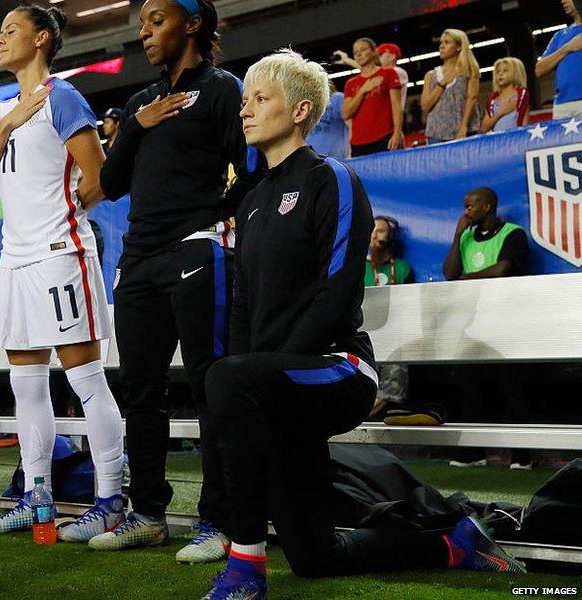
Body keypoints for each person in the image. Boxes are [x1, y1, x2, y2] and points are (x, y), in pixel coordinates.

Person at [200, 49, 525, 600]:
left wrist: (259, 374)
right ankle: (452, 545)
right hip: (273, 383)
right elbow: (244, 306)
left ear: (301, 110)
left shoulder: (334, 179)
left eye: (261, 99)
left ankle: (244, 565)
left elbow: (337, 291)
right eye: (245, 101)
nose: (245, 112)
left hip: (338, 369)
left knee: (227, 379)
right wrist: (249, 371)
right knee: (315, 558)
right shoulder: (252, 202)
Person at [90, 0, 263, 562]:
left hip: (197, 251)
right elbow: (109, 183)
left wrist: (211, 217)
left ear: (192, 25)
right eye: (141, 23)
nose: (144, 33)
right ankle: (148, 515)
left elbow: (253, 169)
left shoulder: (221, 89)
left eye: (156, 21)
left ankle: (219, 521)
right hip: (138, 258)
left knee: (211, 389)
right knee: (139, 391)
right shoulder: (140, 102)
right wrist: (134, 128)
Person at [0, 5, 125, 543]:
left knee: (86, 380)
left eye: (10, 30)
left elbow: (100, 177)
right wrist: (9, 120)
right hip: (14, 260)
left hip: (60, 254)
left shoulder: (65, 97)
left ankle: (109, 500)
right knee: (25, 384)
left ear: (40, 40)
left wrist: (70, 213)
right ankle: (38, 498)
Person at [442, 187, 531, 469]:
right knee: (469, 387)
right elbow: (448, 273)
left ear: (488, 207)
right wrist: (457, 236)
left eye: (471, 206)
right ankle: (474, 453)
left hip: (507, 321)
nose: (466, 211)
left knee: (512, 387)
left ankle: (522, 455)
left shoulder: (513, 233)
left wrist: (466, 278)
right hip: (473, 322)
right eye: (465, 206)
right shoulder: (467, 236)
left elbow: (502, 269)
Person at [364, 216, 412, 415]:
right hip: (365, 333)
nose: (375, 234)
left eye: (381, 230)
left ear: (390, 236)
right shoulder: (356, 265)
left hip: (395, 334)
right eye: (372, 230)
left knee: (396, 372)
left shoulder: (402, 268)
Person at [341, 38, 404, 156]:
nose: (359, 54)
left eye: (363, 50)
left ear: (374, 51)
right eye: (355, 52)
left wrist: (397, 132)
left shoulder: (389, 74)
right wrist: (363, 91)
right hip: (358, 144)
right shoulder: (351, 83)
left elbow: (397, 105)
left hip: (386, 137)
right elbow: (346, 114)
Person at [421, 29, 481, 144]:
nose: (442, 46)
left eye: (447, 42)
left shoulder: (469, 70)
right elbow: (425, 106)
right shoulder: (430, 75)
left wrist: (463, 127)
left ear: (459, 46)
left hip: (465, 133)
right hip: (436, 135)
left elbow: (472, 98)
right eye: (441, 43)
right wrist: (442, 83)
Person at [536, 0, 582, 119]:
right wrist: (567, 48)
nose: (562, 1)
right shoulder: (560, 35)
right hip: (561, 105)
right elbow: (539, 69)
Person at [482, 57, 530, 133]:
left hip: (515, 140)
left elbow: (525, 122)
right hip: (497, 141)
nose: (500, 74)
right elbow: (484, 128)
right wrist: (500, 112)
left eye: (505, 71)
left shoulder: (521, 95)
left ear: (515, 73)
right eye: (498, 72)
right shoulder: (492, 100)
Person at [306, 80, 349, 159]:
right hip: (310, 157)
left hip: (336, 158)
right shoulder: (307, 104)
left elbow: (351, 124)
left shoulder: (338, 98)